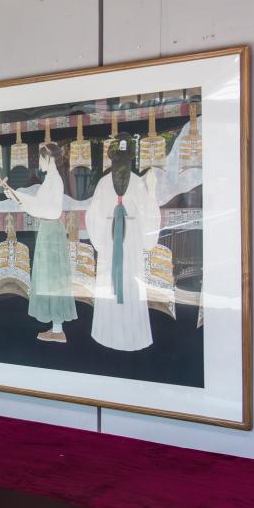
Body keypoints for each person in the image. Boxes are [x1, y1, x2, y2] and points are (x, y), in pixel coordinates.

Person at [85, 133, 161, 351]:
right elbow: (149, 221)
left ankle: (118, 337)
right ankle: (118, 336)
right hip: (121, 244)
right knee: (119, 286)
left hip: (122, 244)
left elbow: (93, 218)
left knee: (126, 285)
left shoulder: (131, 184)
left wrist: (102, 242)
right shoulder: (128, 184)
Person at [3, 143, 77, 343]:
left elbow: (50, 210)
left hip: (52, 231)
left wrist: (24, 203)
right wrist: (16, 195)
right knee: (49, 278)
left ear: (50, 158)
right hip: (49, 230)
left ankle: (58, 330)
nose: (39, 162)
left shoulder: (55, 180)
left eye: (42, 158)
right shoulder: (50, 180)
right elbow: (39, 203)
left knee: (53, 279)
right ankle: (56, 327)